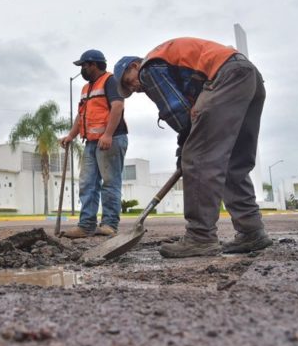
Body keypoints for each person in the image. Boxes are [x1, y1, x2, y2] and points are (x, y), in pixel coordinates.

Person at [114, 37, 272, 258]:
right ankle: (251, 230)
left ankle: (200, 237)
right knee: (233, 162)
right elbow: (195, 115)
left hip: (224, 76)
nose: (135, 87)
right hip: (248, 76)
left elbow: (178, 111)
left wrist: (187, 151)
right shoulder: (173, 66)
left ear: (134, 66)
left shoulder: (148, 68)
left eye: (129, 81)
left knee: (199, 160)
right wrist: (185, 145)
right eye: (129, 88)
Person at [60, 49, 128, 238]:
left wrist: (107, 134)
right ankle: (86, 225)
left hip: (111, 139)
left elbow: (117, 107)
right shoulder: (86, 89)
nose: (82, 69)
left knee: (110, 182)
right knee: (87, 184)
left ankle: (109, 224)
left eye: (84, 65)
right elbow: (80, 115)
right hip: (90, 142)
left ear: (94, 64)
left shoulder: (111, 80)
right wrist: (71, 136)